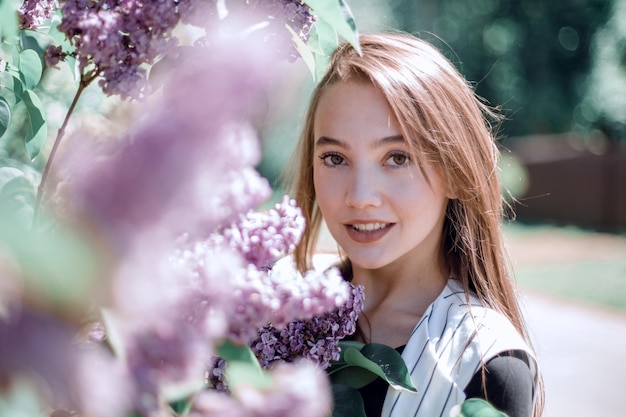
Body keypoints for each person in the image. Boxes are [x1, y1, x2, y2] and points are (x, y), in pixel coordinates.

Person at [284, 32, 544, 417]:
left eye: (398, 157)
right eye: (335, 158)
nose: (360, 196)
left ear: (456, 173)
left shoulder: (487, 365)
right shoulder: (274, 317)